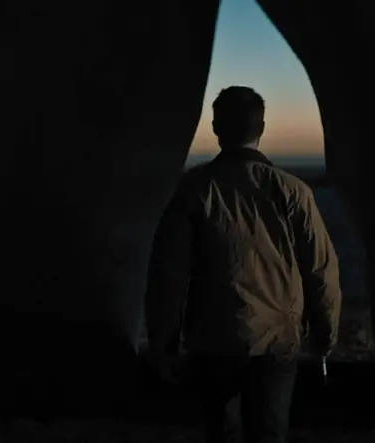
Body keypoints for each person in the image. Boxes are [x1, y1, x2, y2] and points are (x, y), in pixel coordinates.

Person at [145, 86, 342, 443]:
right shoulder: (294, 191)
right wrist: (325, 334)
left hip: (213, 339)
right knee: (269, 433)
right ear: (261, 128)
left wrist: (164, 343)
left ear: (216, 128)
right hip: (277, 341)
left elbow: (168, 273)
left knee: (222, 434)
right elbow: (320, 269)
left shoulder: (194, 189)